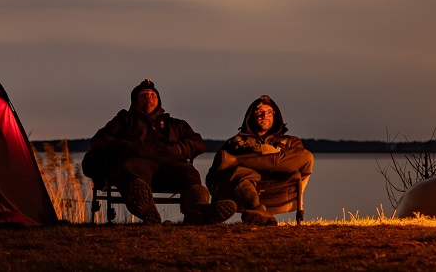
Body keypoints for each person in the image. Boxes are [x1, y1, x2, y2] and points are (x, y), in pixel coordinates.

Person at [82, 79, 236, 225]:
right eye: (144, 95)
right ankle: (148, 212)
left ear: (159, 100)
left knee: (189, 174)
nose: (149, 96)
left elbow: (197, 143)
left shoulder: (174, 124)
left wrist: (178, 149)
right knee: (130, 171)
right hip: (138, 167)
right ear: (135, 101)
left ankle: (199, 210)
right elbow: (99, 140)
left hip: (171, 167)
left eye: (153, 94)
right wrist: (130, 147)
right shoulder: (124, 121)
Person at [206, 95, 314, 226]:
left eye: (269, 112)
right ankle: (259, 210)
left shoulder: (291, 142)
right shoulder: (235, 143)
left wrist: (263, 151)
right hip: (247, 190)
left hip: (281, 187)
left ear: (275, 116)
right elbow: (214, 174)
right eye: (260, 112)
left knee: (306, 156)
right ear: (251, 116)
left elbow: (300, 163)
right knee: (236, 172)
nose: (265, 116)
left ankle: (237, 160)